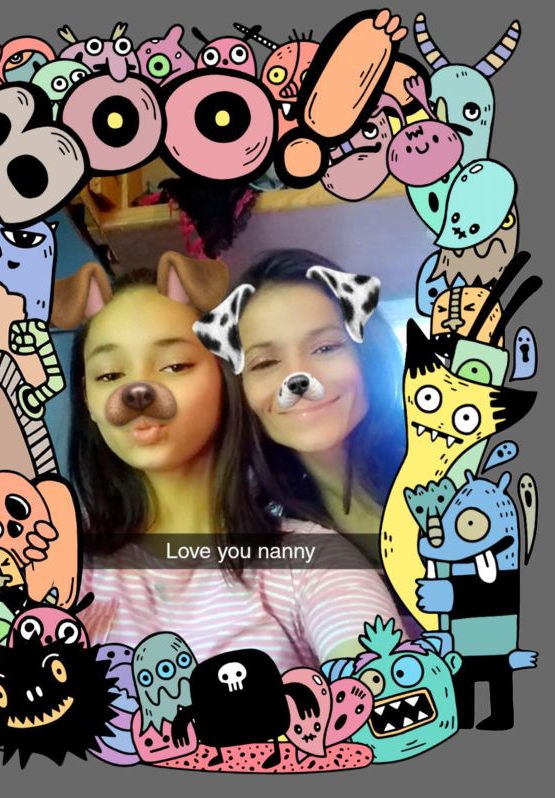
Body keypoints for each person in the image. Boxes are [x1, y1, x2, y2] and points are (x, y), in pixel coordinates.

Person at [69, 253, 403, 672]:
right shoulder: (51, 553)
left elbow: (380, 686)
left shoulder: (311, 559)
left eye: (175, 365)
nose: (298, 378)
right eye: (108, 375)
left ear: (223, 378)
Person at [234, 249, 406, 565]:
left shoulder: (458, 463)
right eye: (265, 363)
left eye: (326, 347)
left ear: (369, 353)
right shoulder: (267, 538)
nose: (297, 377)